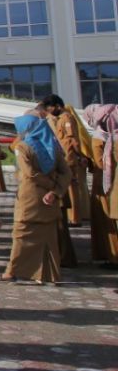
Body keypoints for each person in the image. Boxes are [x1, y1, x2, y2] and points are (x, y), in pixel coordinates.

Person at [1, 115, 70, 284]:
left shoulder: (24, 146)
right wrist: (55, 191)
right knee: (48, 238)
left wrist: (50, 186)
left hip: (30, 198)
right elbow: (66, 173)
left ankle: (11, 271)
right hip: (50, 201)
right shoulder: (53, 145)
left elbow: (30, 173)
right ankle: (49, 274)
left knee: (21, 234)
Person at [37, 95, 90, 226]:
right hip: (63, 157)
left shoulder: (66, 118)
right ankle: (69, 215)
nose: (49, 111)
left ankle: (76, 218)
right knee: (64, 187)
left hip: (70, 158)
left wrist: (78, 155)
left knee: (72, 188)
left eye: (50, 108)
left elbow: (72, 140)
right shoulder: (58, 119)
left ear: (57, 106)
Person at [82, 104, 118, 266]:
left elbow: (100, 163)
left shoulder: (99, 137)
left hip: (104, 186)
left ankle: (112, 256)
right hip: (110, 183)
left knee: (107, 222)